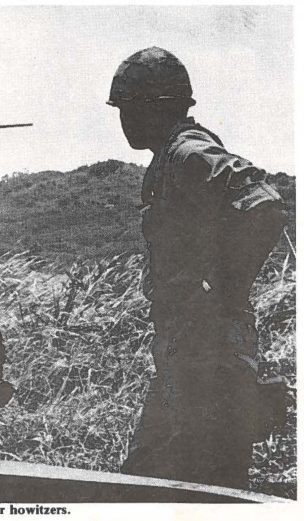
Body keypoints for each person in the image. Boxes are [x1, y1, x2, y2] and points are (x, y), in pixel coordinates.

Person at [106, 47, 287, 489]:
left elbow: (264, 203)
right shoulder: (169, 158)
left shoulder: (188, 152)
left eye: (130, 108)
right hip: (188, 358)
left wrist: (219, 287)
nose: (124, 120)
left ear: (158, 108)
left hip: (212, 363)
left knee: (205, 489)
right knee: (144, 482)